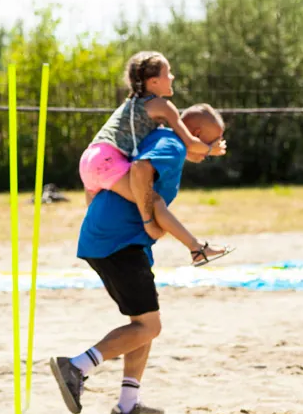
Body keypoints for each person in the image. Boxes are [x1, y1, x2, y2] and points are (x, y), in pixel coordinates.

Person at [52, 104, 229, 414]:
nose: (215, 148)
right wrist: (187, 241)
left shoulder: (168, 140)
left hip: (118, 239)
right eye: (213, 141)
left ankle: (127, 402)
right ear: (197, 135)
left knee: (142, 325)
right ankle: (76, 366)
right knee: (150, 326)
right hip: (116, 241)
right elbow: (140, 172)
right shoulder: (170, 143)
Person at [79, 51, 230, 265]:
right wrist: (210, 149)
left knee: (98, 217)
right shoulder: (163, 106)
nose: (172, 78)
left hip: (90, 159)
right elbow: (188, 141)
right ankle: (196, 248)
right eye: (168, 73)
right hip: (107, 161)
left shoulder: (132, 103)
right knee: (153, 200)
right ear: (154, 81)